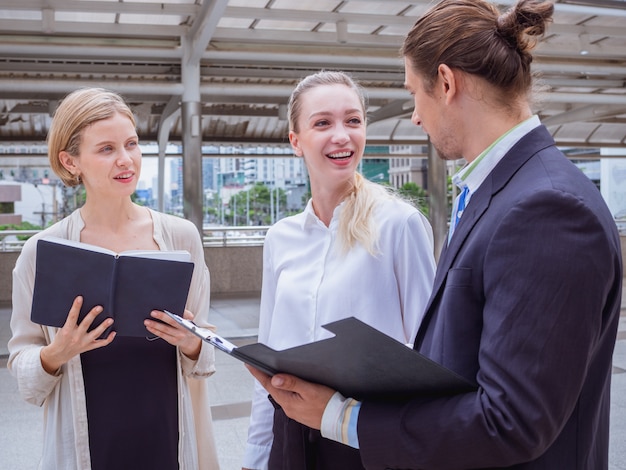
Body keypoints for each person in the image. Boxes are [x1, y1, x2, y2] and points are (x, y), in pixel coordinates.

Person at [247, 1, 623, 468]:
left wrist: (343, 420)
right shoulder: (506, 192)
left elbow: (512, 421)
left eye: (413, 94)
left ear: (446, 83)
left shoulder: (547, 209)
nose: (415, 117)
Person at [7, 87, 220, 469]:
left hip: (166, 435)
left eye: (132, 144)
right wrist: (58, 352)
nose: (126, 160)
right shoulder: (42, 251)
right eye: (106, 149)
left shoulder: (181, 237)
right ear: (71, 162)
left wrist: (192, 341)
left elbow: (203, 352)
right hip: (88, 444)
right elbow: (22, 366)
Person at [242, 70, 436, 469]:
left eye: (353, 120)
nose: (342, 135)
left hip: (366, 436)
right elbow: (267, 360)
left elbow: (429, 354)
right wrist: (256, 458)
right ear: (295, 141)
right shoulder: (281, 237)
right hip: (290, 437)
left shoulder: (399, 225)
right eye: (322, 123)